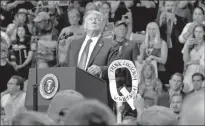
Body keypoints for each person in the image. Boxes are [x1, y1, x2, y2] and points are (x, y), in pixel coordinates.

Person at [64, 10, 117, 80]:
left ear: (102, 26)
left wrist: (101, 70)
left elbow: (117, 68)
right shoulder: (73, 44)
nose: (94, 21)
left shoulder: (111, 44)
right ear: (85, 24)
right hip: (73, 85)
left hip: (96, 86)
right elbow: (65, 65)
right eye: (90, 19)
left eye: (97, 20)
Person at [182, 24, 205, 93]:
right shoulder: (190, 43)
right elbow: (186, 60)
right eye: (196, 31)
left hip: (202, 70)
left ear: (204, 33)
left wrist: (191, 62)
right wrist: (187, 46)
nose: (198, 34)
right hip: (190, 71)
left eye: (200, 32)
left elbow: (203, 61)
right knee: (187, 92)